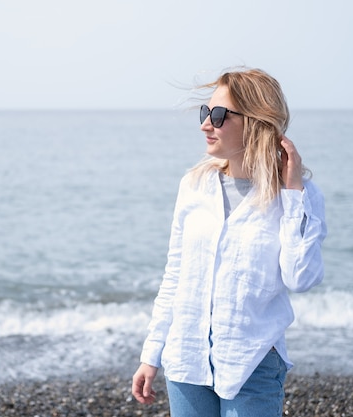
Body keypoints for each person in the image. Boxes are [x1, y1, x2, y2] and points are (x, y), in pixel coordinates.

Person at [131, 67, 327, 417]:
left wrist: (293, 194)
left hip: (252, 364)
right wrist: (151, 354)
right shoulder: (193, 185)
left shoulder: (298, 196)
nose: (206, 124)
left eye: (219, 115)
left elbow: (301, 278)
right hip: (186, 362)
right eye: (205, 113)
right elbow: (175, 276)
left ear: (255, 121)